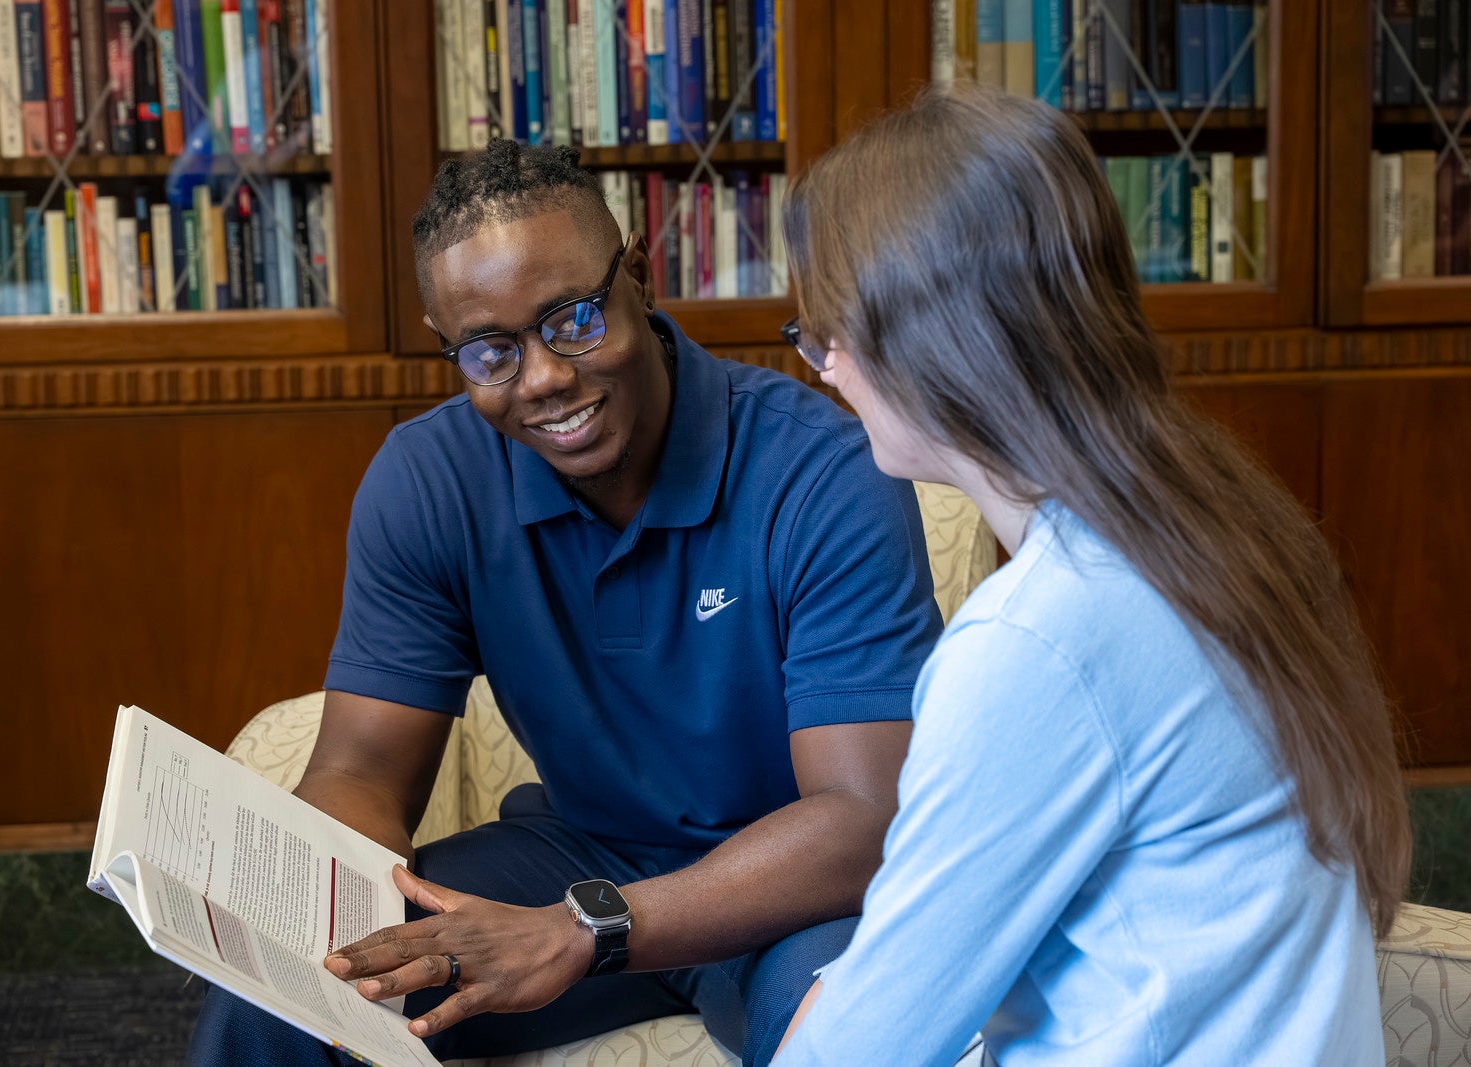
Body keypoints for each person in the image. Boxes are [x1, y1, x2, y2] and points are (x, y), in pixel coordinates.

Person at [188, 139, 944, 1066]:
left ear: (639, 277)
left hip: (790, 892)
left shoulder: (822, 471)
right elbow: (364, 771)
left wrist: (586, 927)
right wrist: (300, 898)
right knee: (282, 995)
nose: (543, 376)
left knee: (858, 1030)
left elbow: (865, 815)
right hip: (574, 852)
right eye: (492, 351)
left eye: (573, 318)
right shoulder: (428, 482)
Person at [770, 84, 1411, 1066]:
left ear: (931, 344)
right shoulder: (1220, 518)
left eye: (825, 331)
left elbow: (862, 1048)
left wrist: (840, 1005)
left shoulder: (1035, 642)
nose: (824, 368)